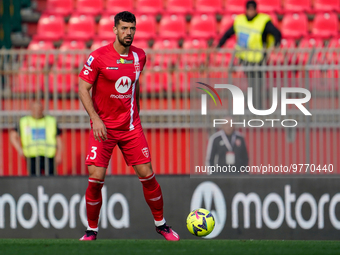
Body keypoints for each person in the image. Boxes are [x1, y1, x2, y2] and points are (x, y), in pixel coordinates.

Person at [78, 11, 180, 241]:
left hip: (130, 127)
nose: (128, 33)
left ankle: (161, 225)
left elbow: (134, 86)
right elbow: (83, 88)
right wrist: (95, 118)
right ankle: (91, 230)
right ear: (115, 30)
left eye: (132, 28)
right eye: (124, 28)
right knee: (95, 179)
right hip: (103, 127)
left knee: (148, 174)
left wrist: (135, 114)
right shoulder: (98, 57)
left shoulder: (140, 56)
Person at [218, 0, 281, 109]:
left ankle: (256, 105)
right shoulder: (240, 20)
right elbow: (228, 33)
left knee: (257, 84)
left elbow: (277, 33)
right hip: (245, 58)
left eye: (253, 9)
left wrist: (275, 45)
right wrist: (219, 45)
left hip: (259, 58)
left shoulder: (263, 21)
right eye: (249, 9)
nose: (251, 12)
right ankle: (253, 105)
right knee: (252, 83)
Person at [9, 101, 62, 176]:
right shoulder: (24, 121)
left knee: (51, 179)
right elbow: (13, 136)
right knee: (34, 180)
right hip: (31, 156)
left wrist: (59, 154)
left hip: (49, 156)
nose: (37, 111)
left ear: (42, 109)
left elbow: (58, 138)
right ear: (31, 109)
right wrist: (20, 150)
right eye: (34, 109)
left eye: (39, 108)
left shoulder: (50, 121)